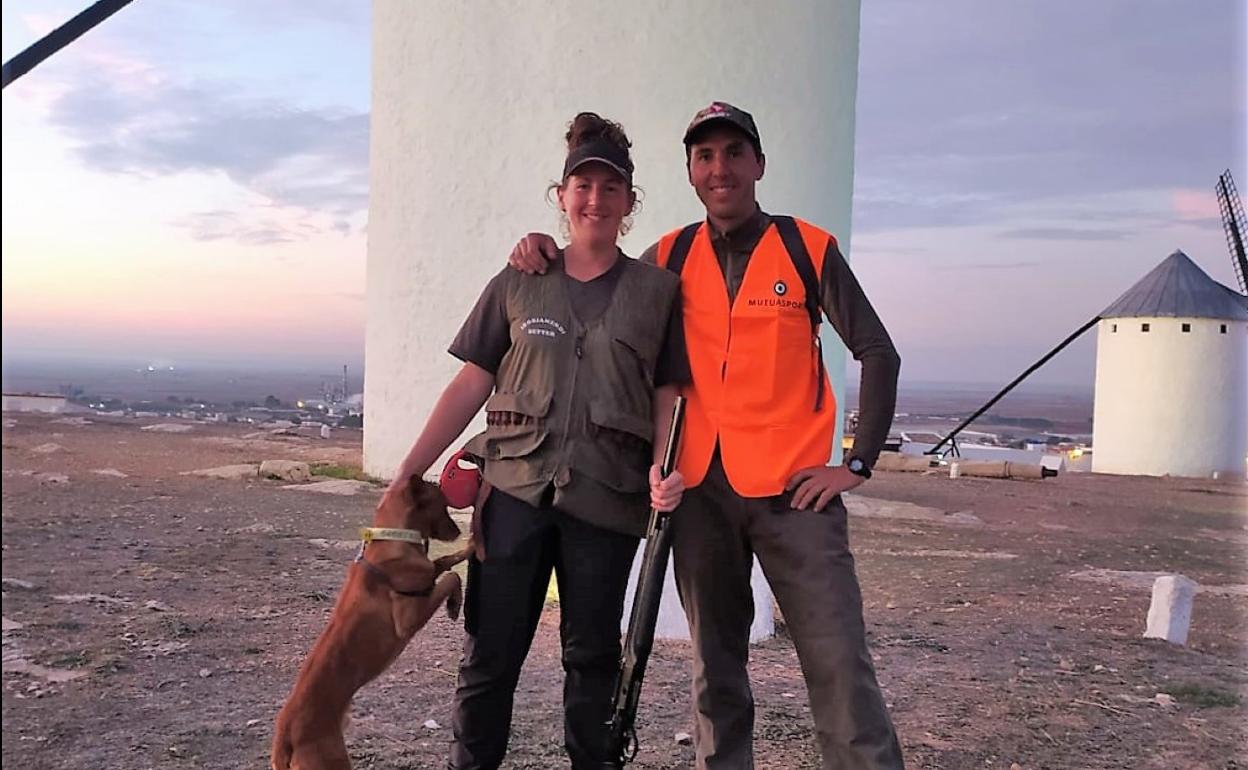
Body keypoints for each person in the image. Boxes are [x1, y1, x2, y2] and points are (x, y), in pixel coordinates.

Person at [508, 102, 905, 769]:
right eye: (704, 156)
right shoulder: (667, 258)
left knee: (838, 662)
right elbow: (594, 273)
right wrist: (538, 250)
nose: (719, 168)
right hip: (700, 496)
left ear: (758, 164)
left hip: (795, 493)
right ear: (692, 171)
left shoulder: (808, 249)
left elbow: (877, 352)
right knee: (716, 669)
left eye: (731, 153)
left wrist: (856, 463)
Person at [382, 111, 689, 770]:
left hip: (606, 503)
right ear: (562, 196)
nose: (595, 200)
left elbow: (668, 394)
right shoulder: (519, 281)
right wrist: (409, 469)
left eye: (611, 189)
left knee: (592, 665)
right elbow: (470, 384)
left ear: (629, 203)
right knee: (490, 659)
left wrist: (667, 468)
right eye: (583, 186)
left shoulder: (657, 293)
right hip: (514, 495)